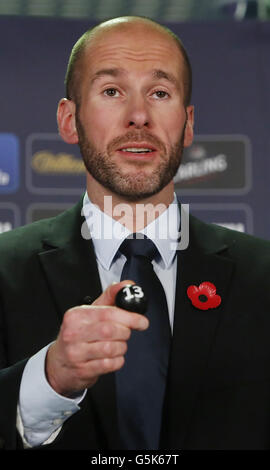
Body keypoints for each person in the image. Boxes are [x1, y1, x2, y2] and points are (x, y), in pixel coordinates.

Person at [0, 15, 270, 451]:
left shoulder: (265, 278)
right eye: (111, 91)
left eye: (160, 93)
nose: (139, 116)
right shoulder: (4, 269)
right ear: (69, 120)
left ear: (188, 123)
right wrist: (50, 379)